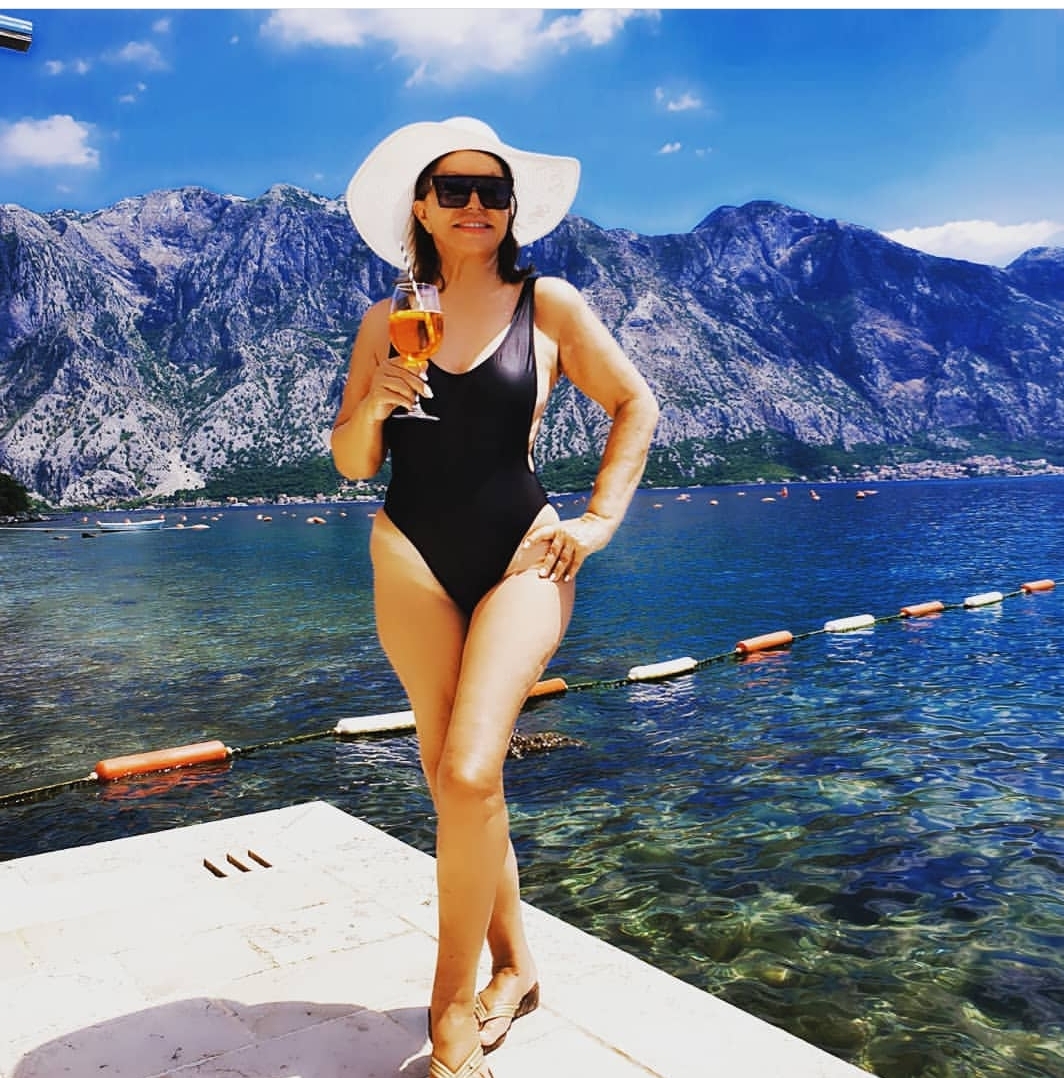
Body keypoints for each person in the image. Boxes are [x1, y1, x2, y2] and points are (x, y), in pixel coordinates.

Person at [331, 116, 658, 1078]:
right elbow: (352, 462)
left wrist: (598, 522)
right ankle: (514, 968)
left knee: (472, 773)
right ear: (422, 207)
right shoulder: (387, 318)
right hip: (410, 556)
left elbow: (635, 403)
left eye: (494, 190)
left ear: (512, 208)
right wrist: (377, 400)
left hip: (525, 555)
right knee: (453, 782)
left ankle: (449, 1012)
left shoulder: (547, 302)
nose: (476, 204)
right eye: (456, 188)